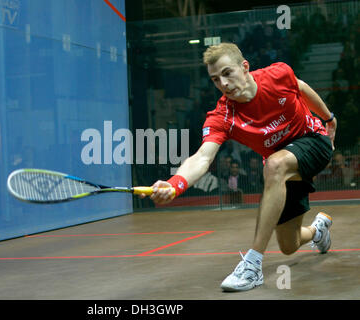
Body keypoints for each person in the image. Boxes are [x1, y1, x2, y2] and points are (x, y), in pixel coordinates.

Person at [140, 43, 337, 292]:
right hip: (285, 166)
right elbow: (202, 157)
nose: (223, 83)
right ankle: (318, 231)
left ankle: (253, 266)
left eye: (227, 73)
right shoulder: (223, 116)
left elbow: (300, 87)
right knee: (290, 244)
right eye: (215, 79)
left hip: (314, 142)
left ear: (244, 67)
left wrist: (329, 119)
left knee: (274, 163)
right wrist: (175, 184)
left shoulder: (277, 74)